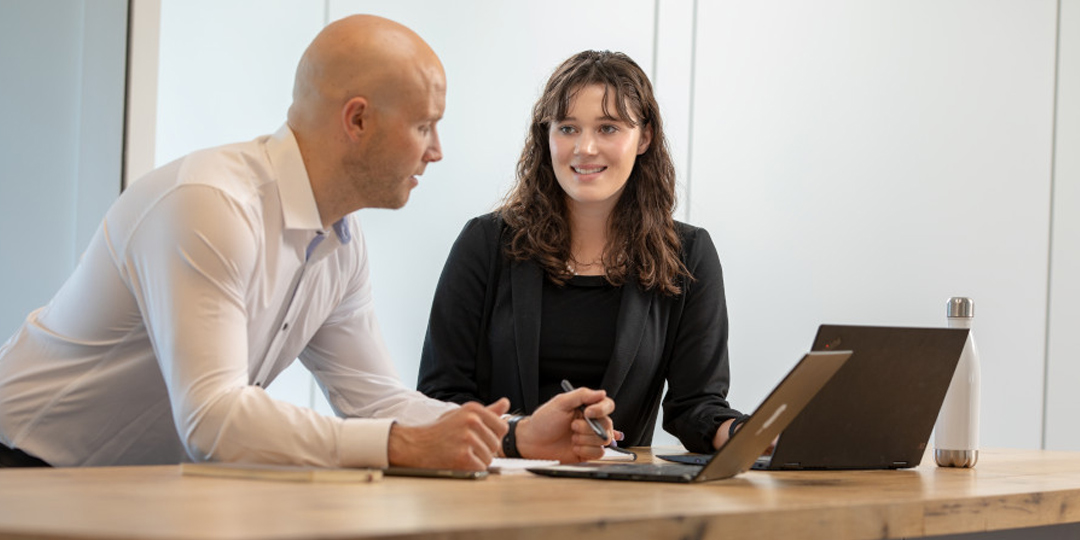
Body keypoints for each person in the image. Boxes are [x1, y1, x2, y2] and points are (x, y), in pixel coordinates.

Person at [0, 15, 615, 470]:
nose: (436, 150)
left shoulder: (342, 242)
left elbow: (373, 399)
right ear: (357, 120)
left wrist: (513, 435)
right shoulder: (209, 204)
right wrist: (400, 446)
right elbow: (212, 419)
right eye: (424, 125)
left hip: (125, 486)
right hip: (20, 469)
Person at [417, 50, 746, 454]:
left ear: (644, 138)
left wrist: (751, 435)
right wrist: (520, 434)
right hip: (494, 488)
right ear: (547, 135)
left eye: (608, 128)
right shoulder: (485, 243)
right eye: (568, 128)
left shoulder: (688, 255)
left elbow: (696, 406)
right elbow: (438, 396)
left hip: (617, 497)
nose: (585, 148)